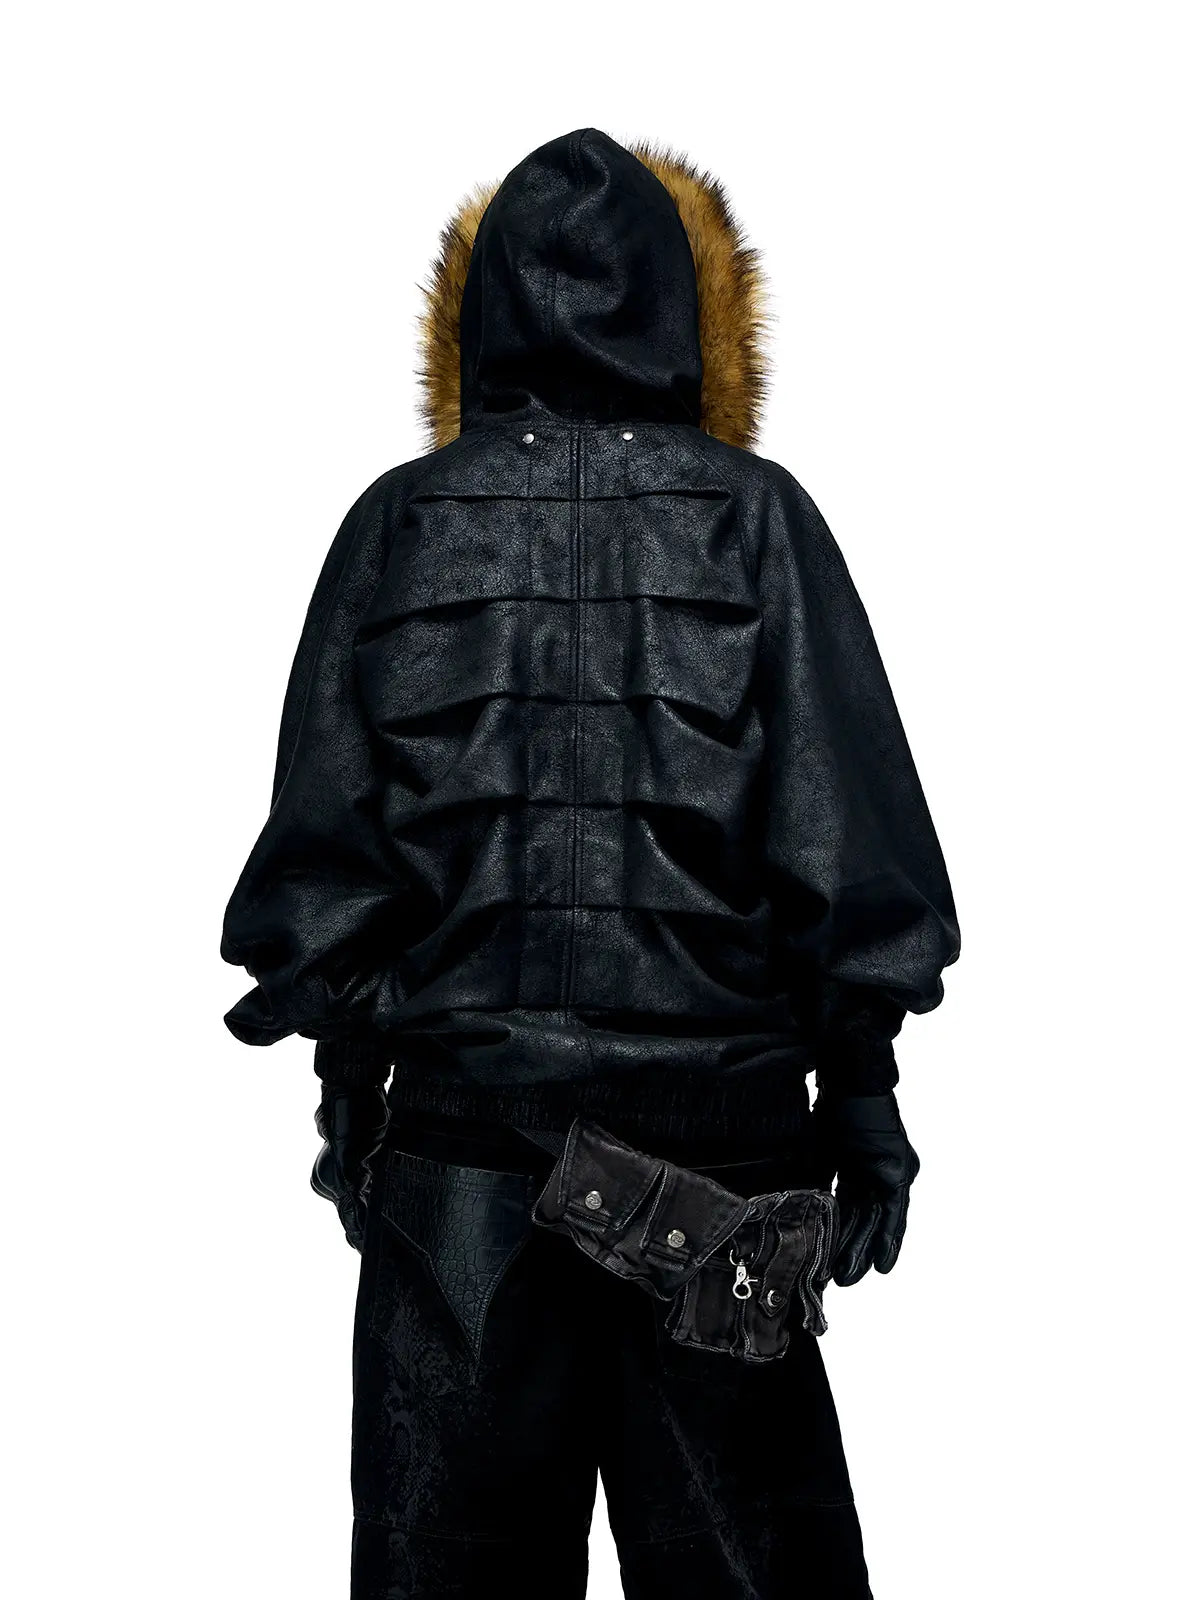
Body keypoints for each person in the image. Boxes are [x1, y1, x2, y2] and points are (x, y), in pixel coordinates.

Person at [221, 127, 960, 1599]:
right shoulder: (758, 524)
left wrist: (351, 1092)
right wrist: (866, 1098)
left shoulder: (398, 525)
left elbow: (324, 862)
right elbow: (847, 845)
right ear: (692, 312)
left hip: (457, 1183)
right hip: (721, 1170)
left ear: (477, 312)